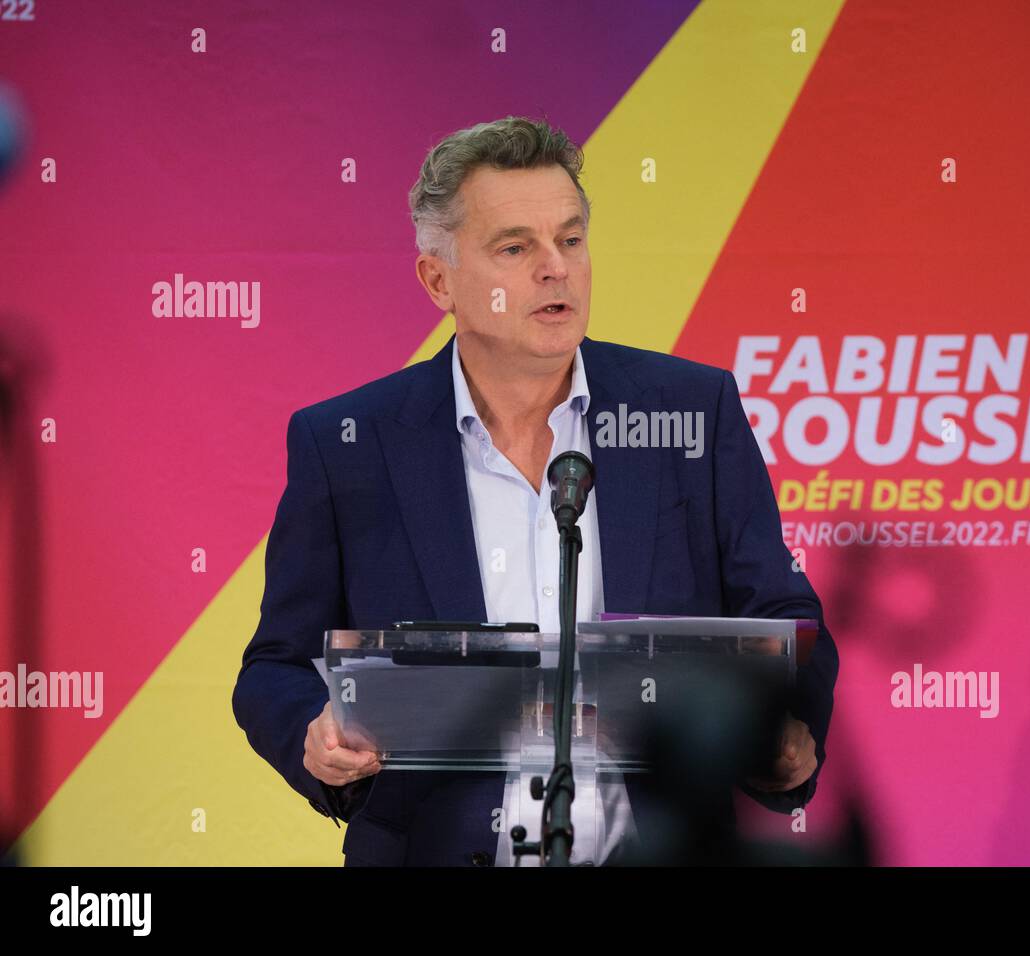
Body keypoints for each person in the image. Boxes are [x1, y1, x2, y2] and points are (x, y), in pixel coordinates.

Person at [231, 116, 838, 866]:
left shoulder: (691, 412)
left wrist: (789, 730)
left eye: (571, 240)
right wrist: (312, 737)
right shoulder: (349, 443)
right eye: (516, 248)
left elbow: (782, 615)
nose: (557, 268)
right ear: (438, 280)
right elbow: (274, 667)